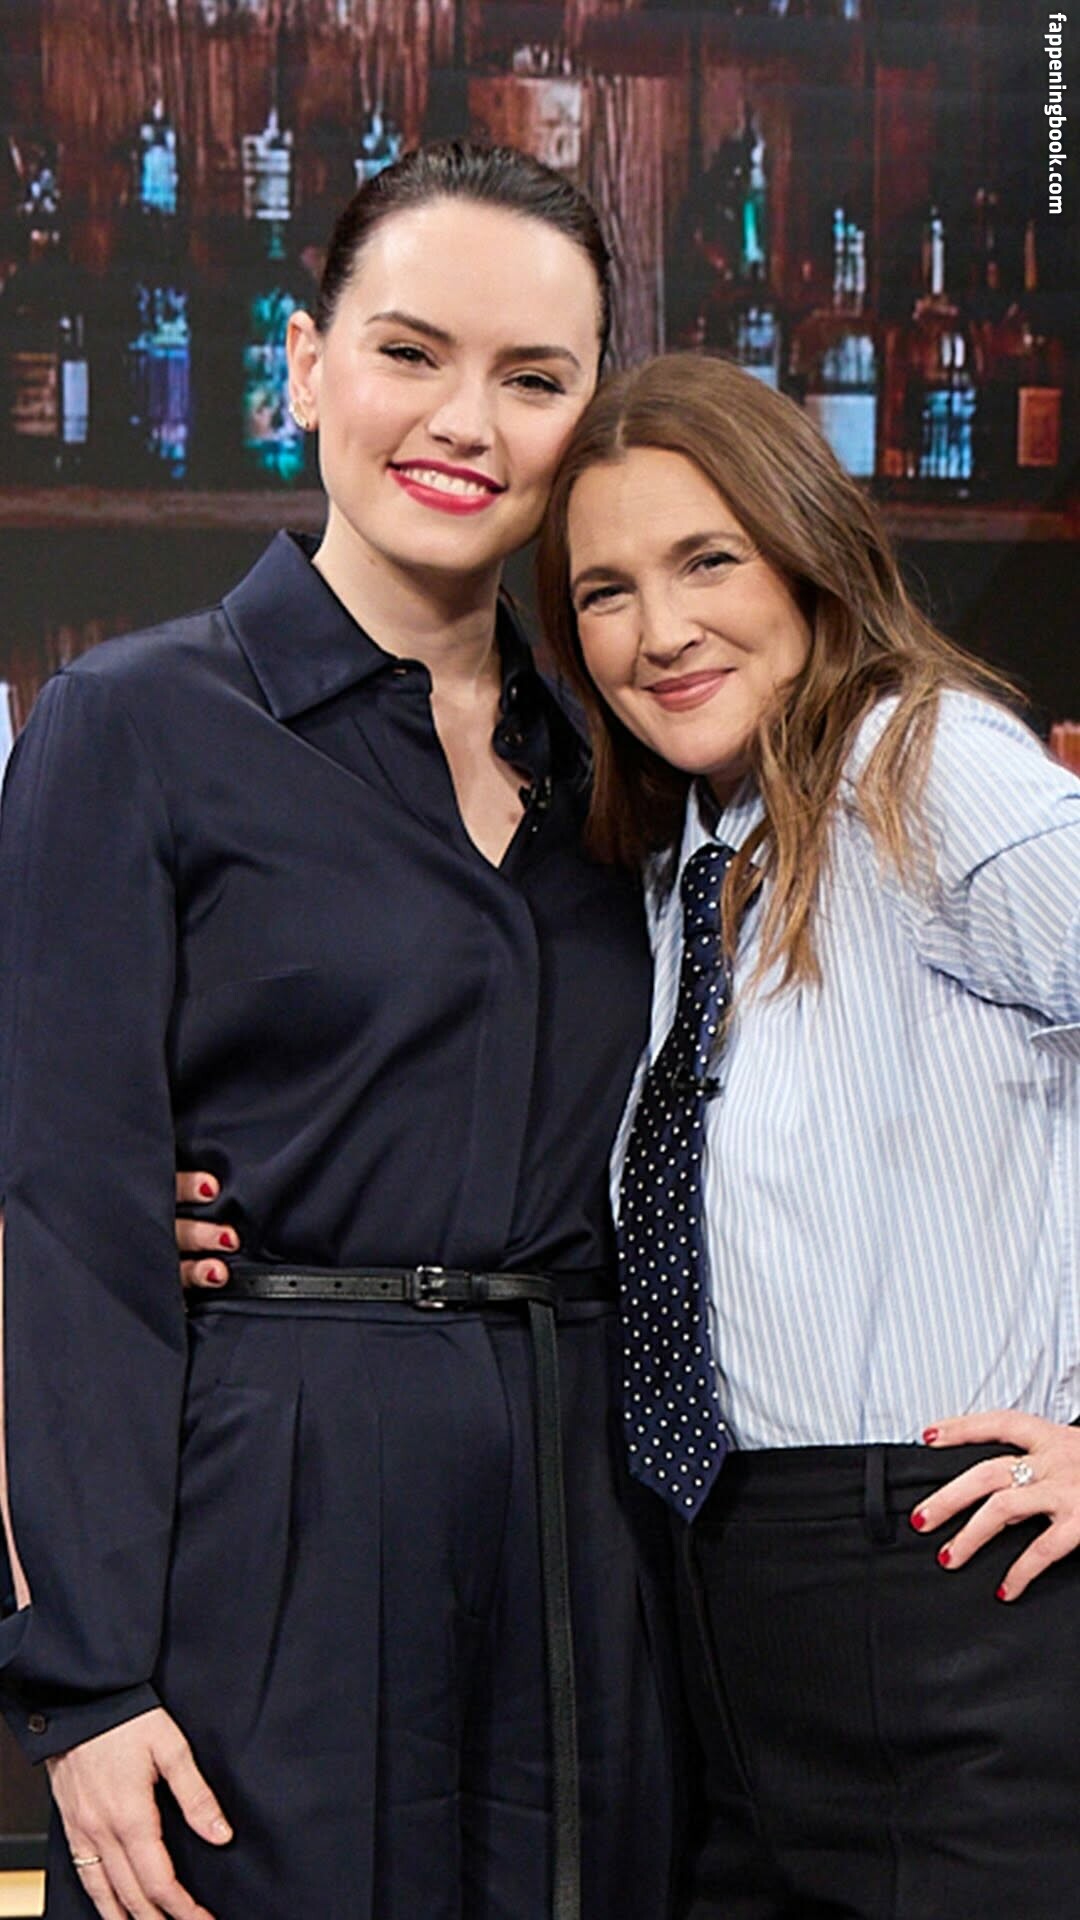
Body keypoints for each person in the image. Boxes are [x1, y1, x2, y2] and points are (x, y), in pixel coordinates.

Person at [0, 144, 678, 1920]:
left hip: (587, 1548)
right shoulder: (130, 727)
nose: (466, 421)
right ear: (306, 367)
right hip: (264, 1534)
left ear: (587, 420)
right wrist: (86, 1682)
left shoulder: (628, 769)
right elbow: (65, 1234)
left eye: (533, 378)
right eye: (410, 352)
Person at [530, 350, 1080, 1919]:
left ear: (806, 552)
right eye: (606, 590)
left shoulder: (930, 769)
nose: (660, 630)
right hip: (723, 1617)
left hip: (955, 1605)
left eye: (708, 559)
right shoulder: (690, 856)